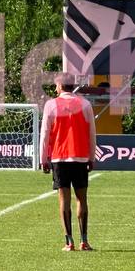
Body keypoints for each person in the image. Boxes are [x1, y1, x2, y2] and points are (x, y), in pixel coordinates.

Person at [40, 73, 97, 251]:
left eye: (56, 85)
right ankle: (84, 241)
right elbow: (92, 133)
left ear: (59, 85)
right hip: (80, 157)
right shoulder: (85, 104)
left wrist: (43, 159)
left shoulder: (51, 105)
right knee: (82, 199)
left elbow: (45, 134)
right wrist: (91, 156)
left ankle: (69, 242)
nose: (55, 89)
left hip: (59, 157)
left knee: (64, 199)